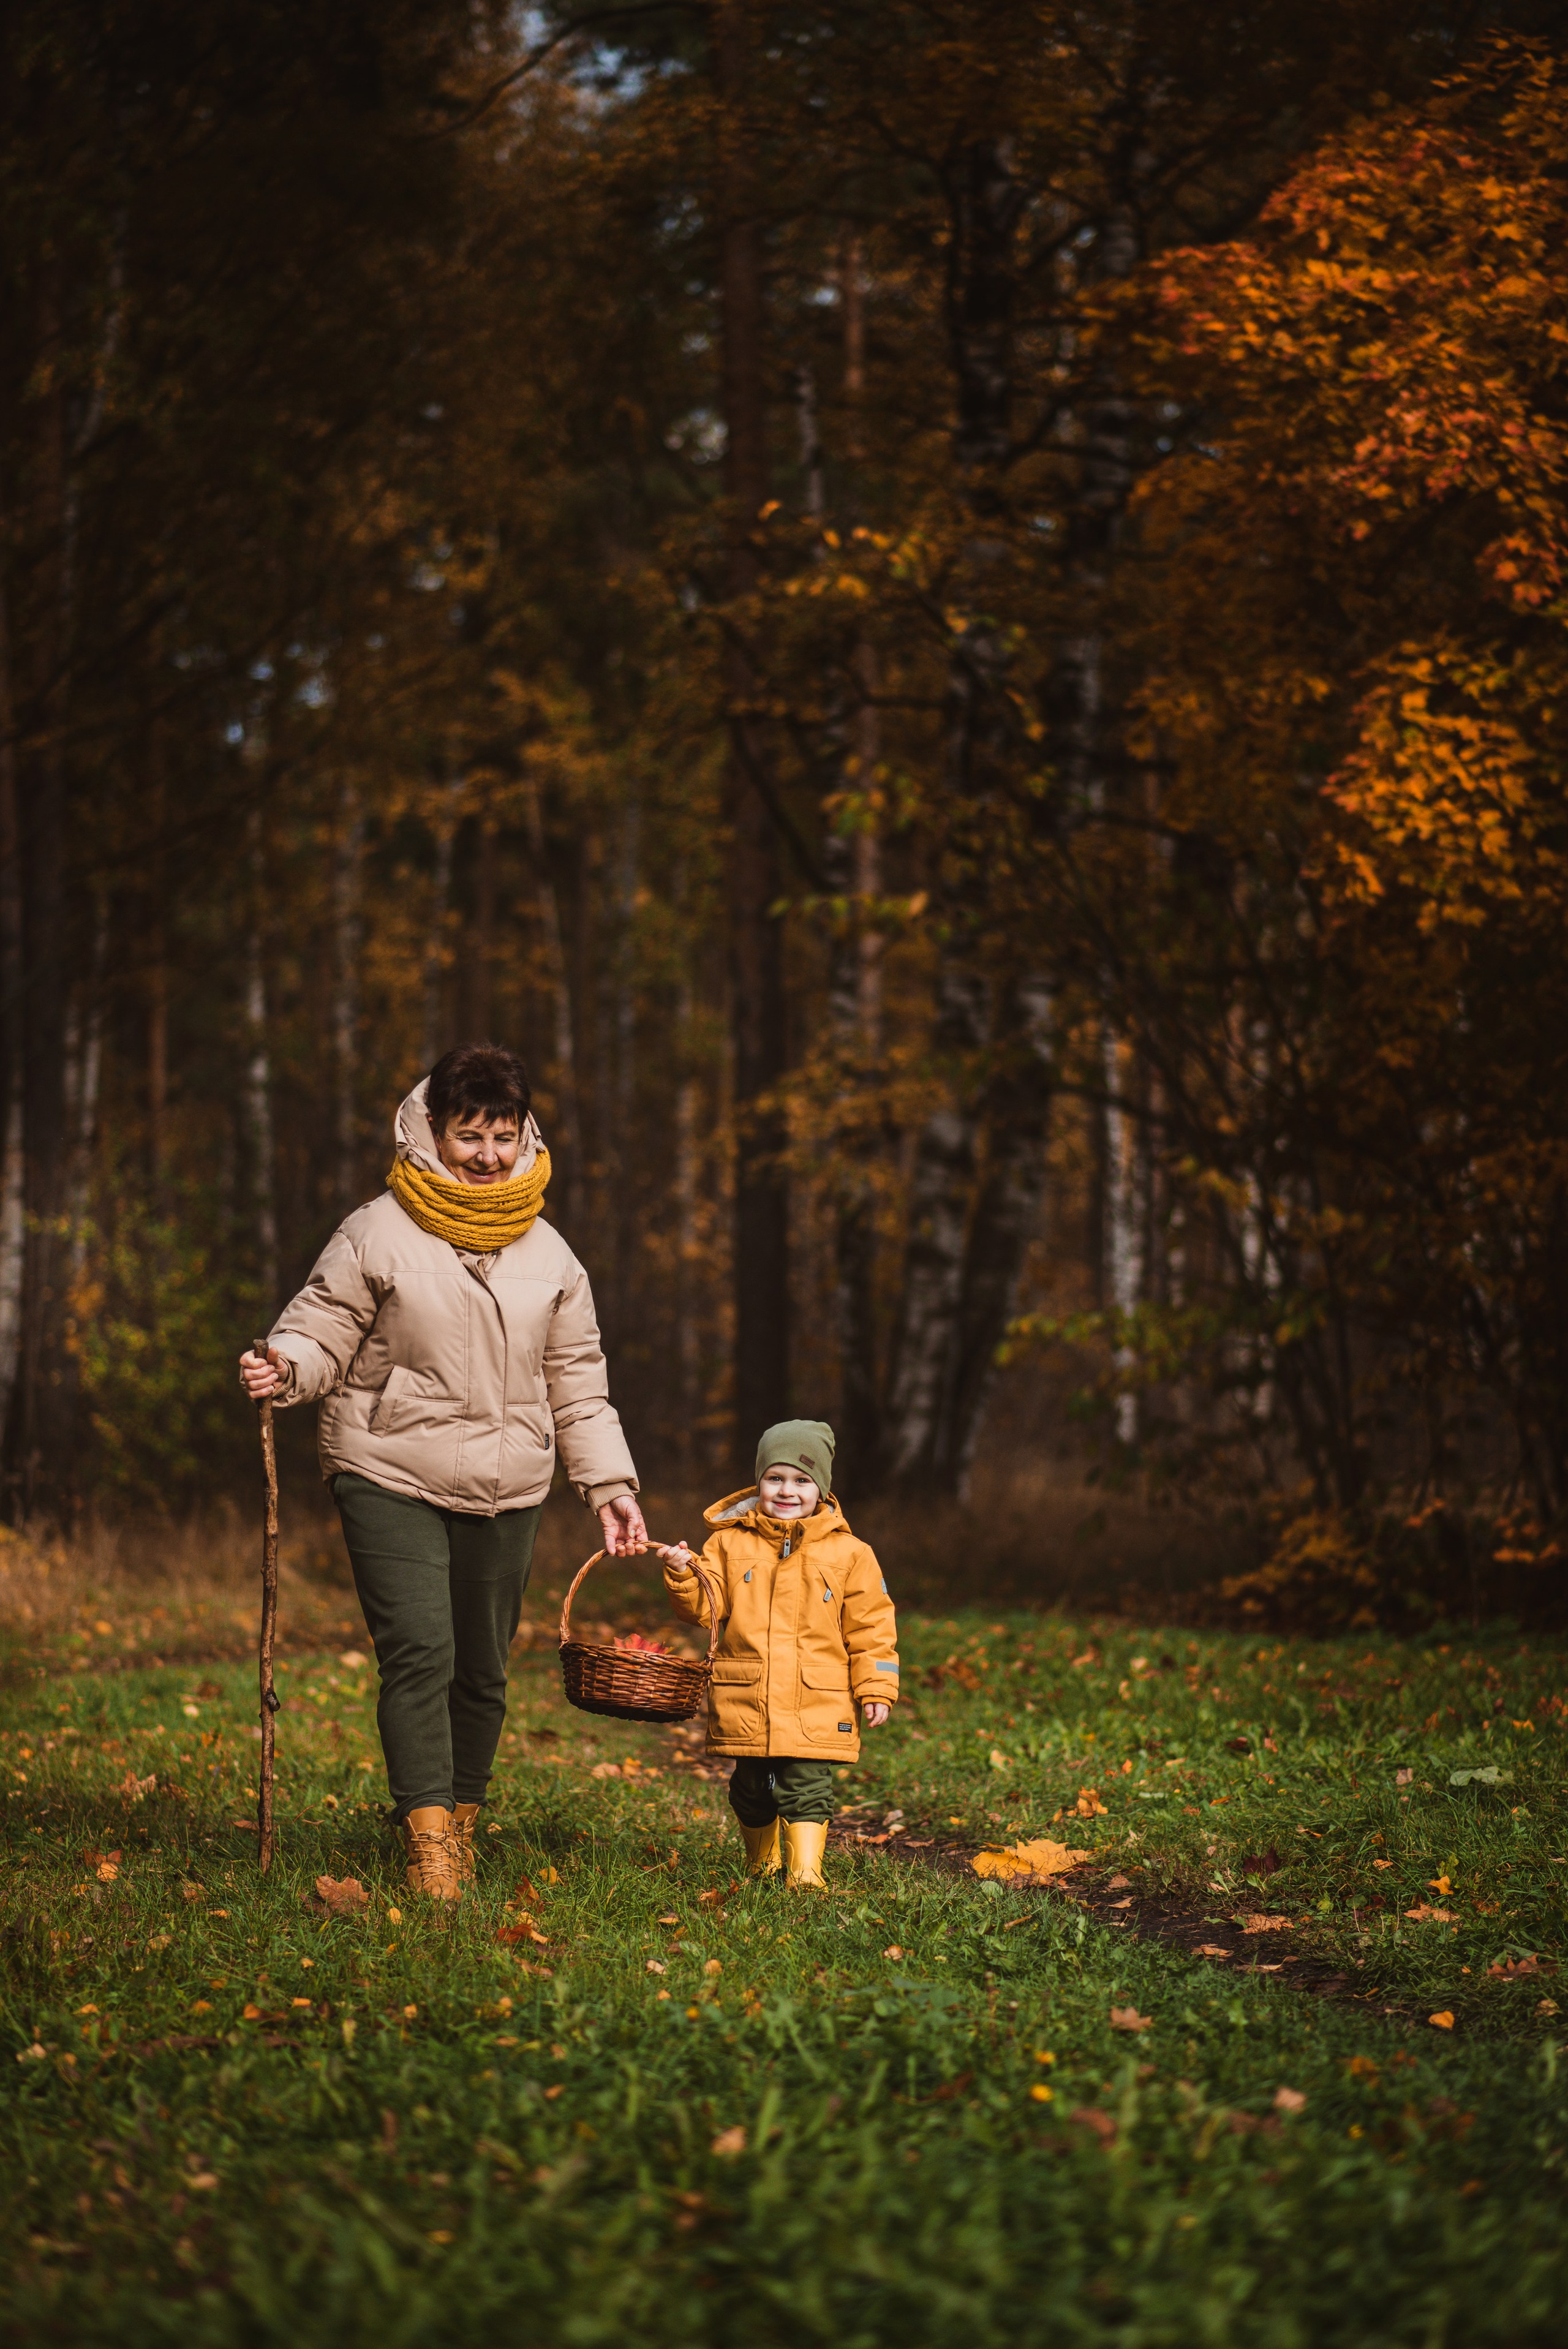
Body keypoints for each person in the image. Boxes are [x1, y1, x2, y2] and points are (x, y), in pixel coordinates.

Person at [238, 1042, 646, 1902]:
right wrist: (286, 1364)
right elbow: (321, 1327)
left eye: (504, 1134)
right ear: (431, 1133)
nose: (490, 1155)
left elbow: (578, 1383)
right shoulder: (375, 1231)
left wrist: (610, 1486)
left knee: (484, 1665)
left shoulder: (552, 1254)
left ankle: (462, 1816)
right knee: (420, 1649)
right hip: (387, 1465)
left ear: (525, 1133)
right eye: (471, 1135)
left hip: (511, 1483)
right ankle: (427, 1839)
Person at [656, 1419, 899, 1888]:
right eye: (776, 1478)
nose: (788, 1490)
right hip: (748, 1695)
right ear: (759, 1480)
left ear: (822, 1488)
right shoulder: (727, 1543)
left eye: (802, 1480)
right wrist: (685, 1575)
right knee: (749, 1789)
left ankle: (806, 1874)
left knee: (808, 1786)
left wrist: (877, 1685)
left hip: (819, 1697)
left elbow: (872, 1626)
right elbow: (708, 1609)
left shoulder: (851, 1553)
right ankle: (762, 1864)